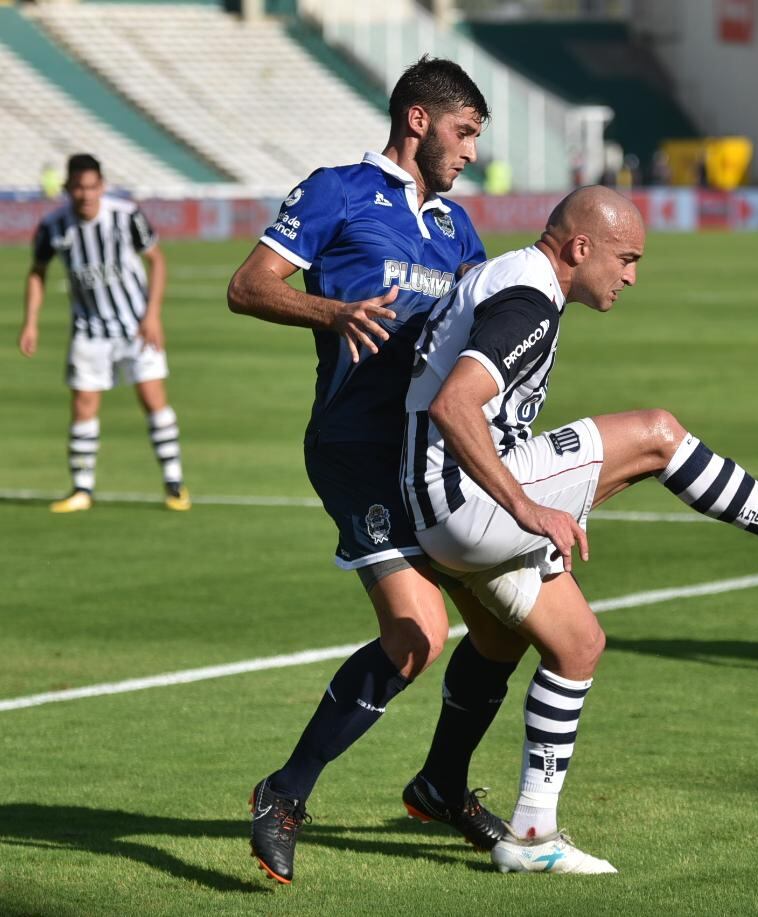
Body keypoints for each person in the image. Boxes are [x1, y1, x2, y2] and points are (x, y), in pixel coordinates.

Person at [401, 185, 758, 874]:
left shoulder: (513, 278)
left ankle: (531, 834)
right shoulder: (528, 301)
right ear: (580, 248)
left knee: (577, 646)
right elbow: (456, 404)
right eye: (626, 258)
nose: (632, 275)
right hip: (465, 504)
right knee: (659, 436)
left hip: (443, 505)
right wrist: (527, 507)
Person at [227, 56, 520, 886]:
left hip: (433, 455)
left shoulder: (458, 231)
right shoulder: (338, 191)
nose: (471, 152)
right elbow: (247, 286)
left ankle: (440, 784)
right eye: (464, 132)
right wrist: (332, 309)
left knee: (505, 628)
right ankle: (284, 794)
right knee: (418, 635)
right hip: (357, 448)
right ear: (418, 121)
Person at [18, 153, 189, 513]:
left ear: (102, 186)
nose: (85, 194)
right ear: (67, 188)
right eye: (78, 187)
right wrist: (30, 321)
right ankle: (82, 488)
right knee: (82, 403)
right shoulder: (53, 226)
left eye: (92, 186)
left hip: (136, 324)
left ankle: (174, 483)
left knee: (152, 397)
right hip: (89, 328)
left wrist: (153, 314)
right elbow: (37, 271)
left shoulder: (125, 216)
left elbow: (156, 260)